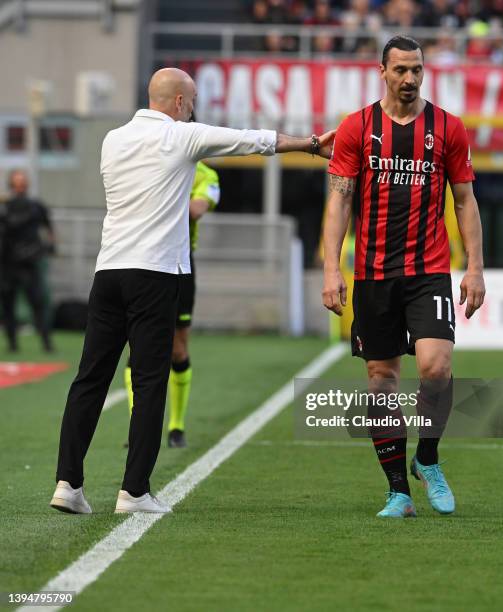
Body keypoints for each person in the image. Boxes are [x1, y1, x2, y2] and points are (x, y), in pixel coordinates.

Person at [50, 67, 335, 515]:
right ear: (180, 103)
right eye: (194, 100)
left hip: (107, 273)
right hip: (155, 276)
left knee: (89, 379)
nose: (195, 108)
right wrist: (311, 144)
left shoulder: (113, 139)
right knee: (148, 383)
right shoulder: (181, 137)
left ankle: (67, 484)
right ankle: (135, 492)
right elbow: (252, 140)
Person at [322, 35, 485, 518]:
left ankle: (428, 457)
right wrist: (332, 267)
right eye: (401, 70)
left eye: (417, 69)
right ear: (382, 71)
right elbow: (340, 199)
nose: (410, 79)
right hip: (373, 275)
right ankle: (398, 491)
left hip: (429, 270)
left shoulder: (448, 128)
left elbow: (465, 201)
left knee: (437, 368)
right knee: (382, 380)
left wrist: (475, 267)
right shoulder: (357, 128)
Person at [124, 152, 221, 449]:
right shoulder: (146, 162)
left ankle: (176, 426)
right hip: (142, 259)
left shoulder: (206, 174)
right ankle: (135, 424)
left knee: (178, 348)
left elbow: (197, 208)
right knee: (137, 343)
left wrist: (159, 197)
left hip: (179, 264)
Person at [0, 170, 55, 353]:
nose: (20, 185)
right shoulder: (5, 206)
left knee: (38, 303)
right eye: (17, 181)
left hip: (30, 263)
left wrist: (50, 246)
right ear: (11, 184)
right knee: (8, 305)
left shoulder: (36, 206)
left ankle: (47, 343)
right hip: (8, 264)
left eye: (23, 181)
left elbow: (49, 228)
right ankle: (12, 344)